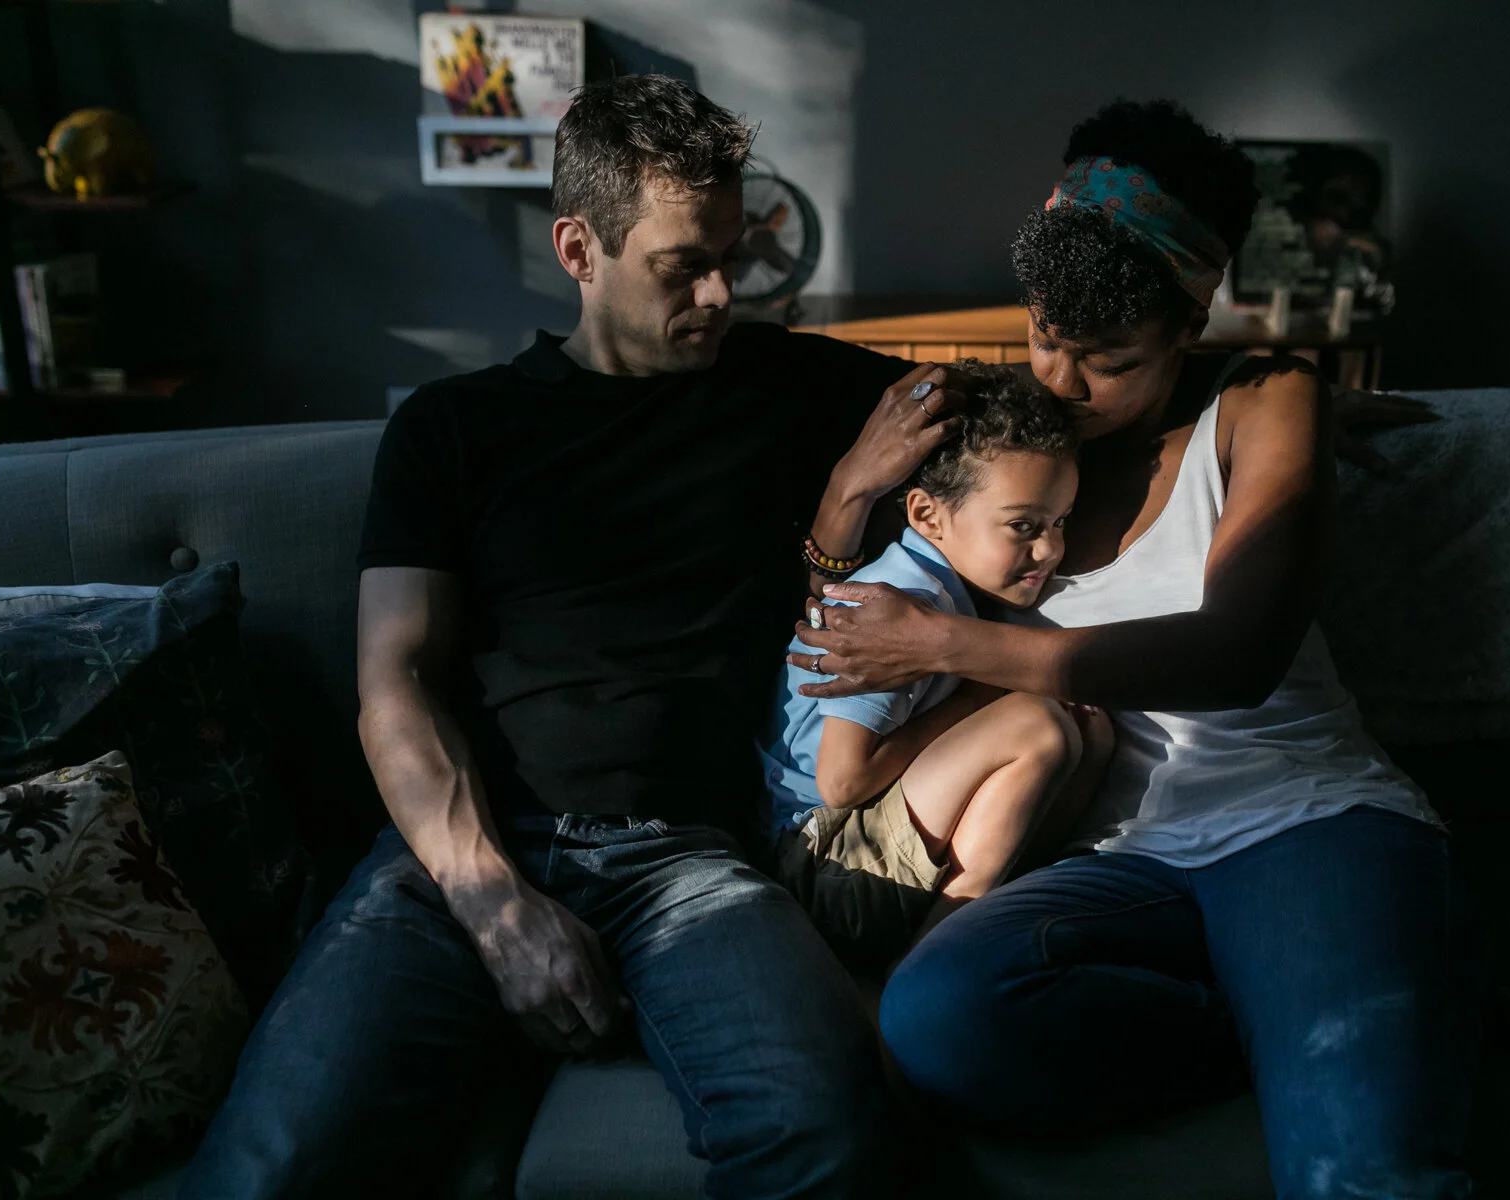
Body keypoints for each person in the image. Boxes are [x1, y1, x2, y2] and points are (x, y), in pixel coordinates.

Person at [178, 75, 967, 1199]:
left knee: (832, 1136)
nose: (719, 294)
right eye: (682, 266)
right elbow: (394, 681)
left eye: (731, 258)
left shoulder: (789, 387)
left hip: (686, 861)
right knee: (270, 1170)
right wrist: (494, 905)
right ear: (579, 249)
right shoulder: (455, 428)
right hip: (454, 858)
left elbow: (1026, 418)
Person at [791, 100, 1484, 1198]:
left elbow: (1236, 658)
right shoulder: (995, 426)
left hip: (1301, 821)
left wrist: (950, 641)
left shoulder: (1267, 399)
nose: (1061, 384)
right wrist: (844, 493)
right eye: (1044, 338)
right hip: (1113, 860)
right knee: (936, 1018)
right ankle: (1346, 1016)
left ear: (1190, 324)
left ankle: (1361, 1007)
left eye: (1108, 361)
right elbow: (855, 623)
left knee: (1365, 1176)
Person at [760, 364, 1112, 965]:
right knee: (1036, 725)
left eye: (1060, 522)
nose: (1051, 548)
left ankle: (1000, 906)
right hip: (824, 857)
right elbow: (841, 782)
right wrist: (974, 699)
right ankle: (925, 962)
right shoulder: (896, 605)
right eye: (1023, 526)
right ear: (927, 516)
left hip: (869, 836)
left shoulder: (950, 590)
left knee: (1091, 730)